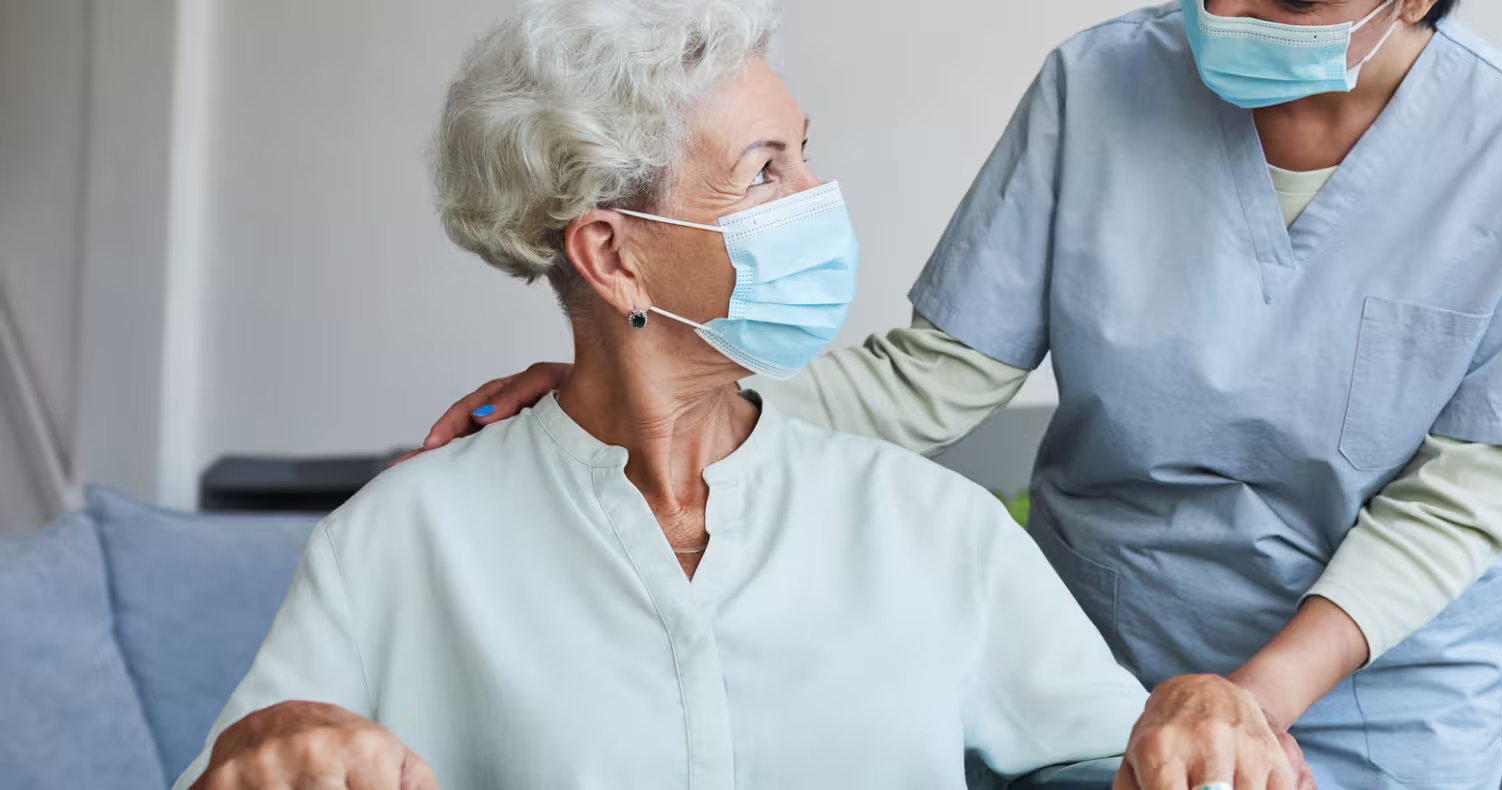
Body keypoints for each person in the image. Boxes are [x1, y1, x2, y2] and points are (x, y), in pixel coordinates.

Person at [425, 0, 1502, 786]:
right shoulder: (1098, 85)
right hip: (1098, 659)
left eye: (1291, 0)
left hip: (1375, 696)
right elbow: (939, 375)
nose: (1241, 16)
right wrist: (646, 405)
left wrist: (1244, 704)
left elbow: (1451, 506)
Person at [176, 1, 1303, 788]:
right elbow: (253, 765)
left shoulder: (929, 529)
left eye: (803, 155)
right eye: (766, 170)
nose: (818, 198)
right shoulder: (400, 539)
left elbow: (1124, 759)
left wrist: (1190, 709)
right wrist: (270, 741)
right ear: (613, 256)